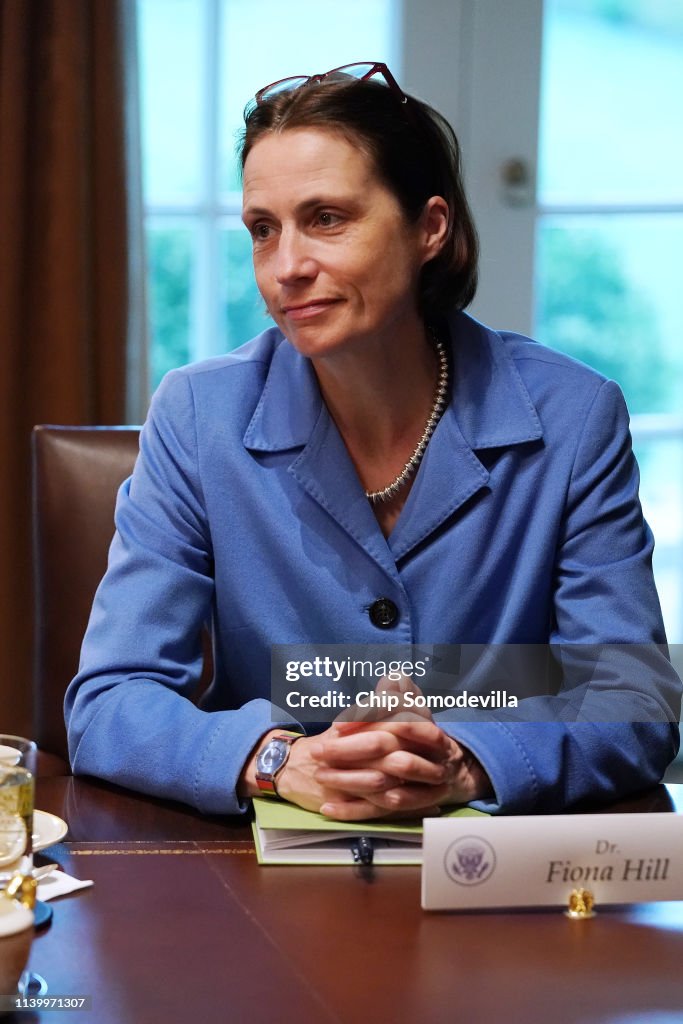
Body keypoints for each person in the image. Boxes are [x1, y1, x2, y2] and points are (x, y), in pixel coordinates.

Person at [65, 62, 680, 820]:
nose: (286, 267)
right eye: (263, 229)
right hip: (260, 885)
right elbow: (110, 700)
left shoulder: (573, 416)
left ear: (429, 227)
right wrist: (277, 759)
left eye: (326, 218)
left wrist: (466, 760)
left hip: (496, 882)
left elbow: (632, 700)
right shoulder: (198, 414)